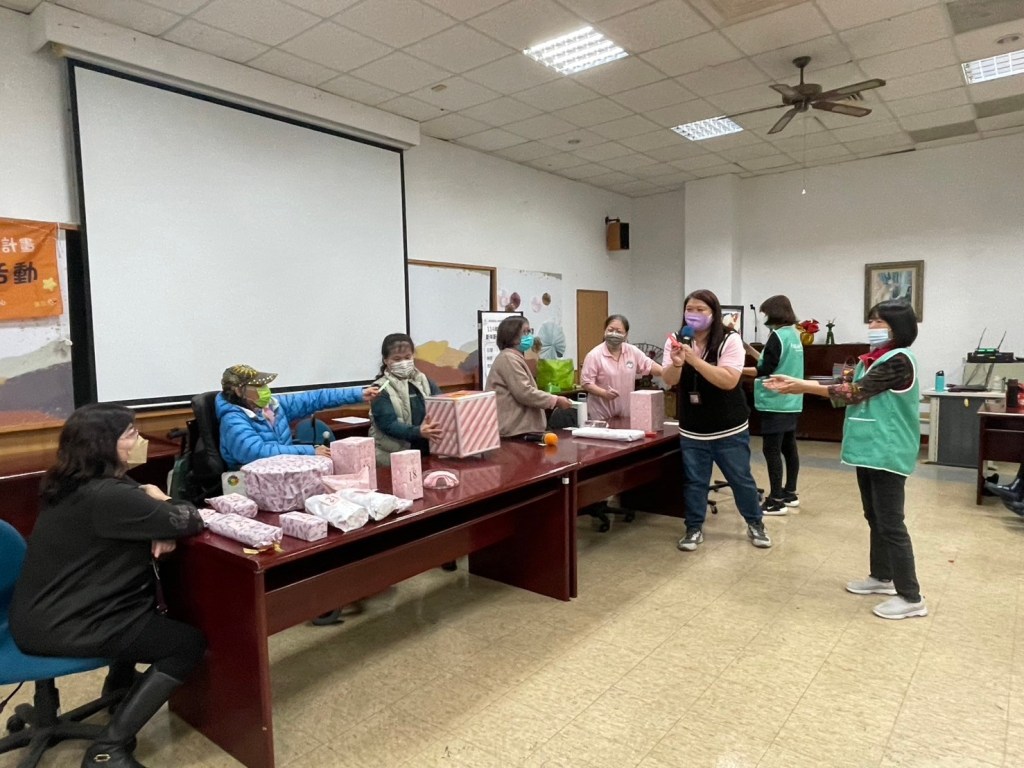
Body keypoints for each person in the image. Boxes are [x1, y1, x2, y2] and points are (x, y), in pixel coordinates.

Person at [9, 403, 207, 768]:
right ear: (103, 444)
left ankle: (119, 686)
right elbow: (190, 518)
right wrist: (163, 503)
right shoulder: (109, 496)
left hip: (39, 612)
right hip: (70, 623)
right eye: (131, 434)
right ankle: (108, 750)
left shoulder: (69, 482)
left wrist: (157, 522)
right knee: (185, 644)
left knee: (138, 605)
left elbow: (143, 512)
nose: (140, 440)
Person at [766, 299, 927, 620]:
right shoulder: (874, 358)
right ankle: (882, 577)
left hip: (888, 449)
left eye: (879, 322)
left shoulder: (899, 361)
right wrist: (799, 384)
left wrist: (802, 386)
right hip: (870, 449)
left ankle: (911, 597)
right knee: (874, 516)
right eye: (871, 321)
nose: (872, 327)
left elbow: (855, 392)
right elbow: (845, 386)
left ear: (899, 327)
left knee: (891, 523)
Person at [661, 289, 771, 551]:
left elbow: (729, 380)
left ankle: (755, 523)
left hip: (728, 427)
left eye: (701, 310)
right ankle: (693, 528)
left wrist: (694, 360)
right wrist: (677, 363)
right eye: (690, 309)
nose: (694, 314)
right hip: (693, 427)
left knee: (740, 479)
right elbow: (669, 380)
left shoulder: (730, 340)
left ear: (714, 313)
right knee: (695, 481)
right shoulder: (676, 339)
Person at [216, 364, 377, 470]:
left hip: (284, 471)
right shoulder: (232, 420)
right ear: (239, 391)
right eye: (257, 386)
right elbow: (257, 452)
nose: (265, 389)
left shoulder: (272, 406)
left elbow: (316, 398)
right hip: (253, 482)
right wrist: (310, 451)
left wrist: (359, 394)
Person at [742, 295, 804, 515]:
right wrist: (750, 351)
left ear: (775, 313)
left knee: (771, 450)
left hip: (775, 402)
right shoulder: (793, 335)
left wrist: (733, 371)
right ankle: (790, 493)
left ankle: (776, 500)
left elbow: (764, 369)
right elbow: (775, 361)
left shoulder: (777, 336)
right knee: (789, 448)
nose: (765, 318)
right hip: (791, 401)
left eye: (766, 314)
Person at [485, 316, 573, 436]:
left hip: (520, 430)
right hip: (514, 431)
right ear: (512, 335)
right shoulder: (508, 358)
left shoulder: (513, 357)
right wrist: (555, 400)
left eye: (530, 331)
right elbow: (524, 392)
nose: (530, 336)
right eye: (525, 332)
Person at [370, 333, 443, 466]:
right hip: (393, 457)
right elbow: (388, 424)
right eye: (397, 359)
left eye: (407, 357)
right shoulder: (380, 387)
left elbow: (442, 406)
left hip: (427, 451)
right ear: (386, 360)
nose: (403, 363)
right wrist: (418, 431)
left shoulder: (424, 380)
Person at [581, 313, 663, 423]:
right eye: (610, 330)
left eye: (619, 332)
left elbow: (649, 365)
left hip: (626, 415)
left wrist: (667, 372)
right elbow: (586, 383)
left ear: (626, 335)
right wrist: (604, 393)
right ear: (604, 331)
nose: (614, 334)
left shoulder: (632, 351)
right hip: (601, 415)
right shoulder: (594, 355)